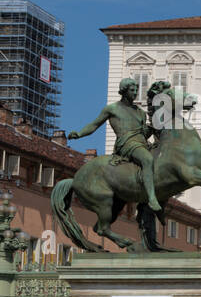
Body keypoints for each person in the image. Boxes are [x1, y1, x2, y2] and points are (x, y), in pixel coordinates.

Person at [67, 77, 163, 213]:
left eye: (136, 89)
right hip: (127, 144)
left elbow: (143, 133)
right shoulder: (112, 109)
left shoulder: (140, 112)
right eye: (132, 89)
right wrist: (79, 134)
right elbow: (94, 125)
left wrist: (152, 129)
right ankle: (151, 198)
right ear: (123, 91)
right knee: (147, 160)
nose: (135, 92)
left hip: (142, 143)